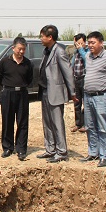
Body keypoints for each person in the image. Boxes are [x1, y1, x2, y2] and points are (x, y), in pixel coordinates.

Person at [36, 25, 77, 163]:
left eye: (42, 36)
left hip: (55, 93)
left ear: (50, 37)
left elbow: (68, 73)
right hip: (45, 91)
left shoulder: (59, 51)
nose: (41, 39)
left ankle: (61, 151)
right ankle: (50, 149)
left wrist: (72, 92)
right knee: (47, 122)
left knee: (57, 123)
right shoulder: (46, 51)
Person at [79, 31, 106, 167]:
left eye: (93, 42)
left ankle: (104, 155)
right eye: (89, 43)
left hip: (102, 97)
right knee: (90, 126)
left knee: (103, 127)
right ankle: (93, 153)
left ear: (101, 43)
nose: (90, 45)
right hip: (88, 96)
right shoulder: (88, 56)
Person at [0, 36, 33, 161]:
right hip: (8, 93)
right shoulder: (5, 62)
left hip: (22, 94)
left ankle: (21, 149)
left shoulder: (27, 63)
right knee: (7, 120)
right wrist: (7, 87)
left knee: (22, 122)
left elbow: (29, 79)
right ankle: (7, 147)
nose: (21, 52)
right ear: (13, 48)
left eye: (23, 49)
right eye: (19, 49)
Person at [70, 33, 88, 133]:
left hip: (84, 79)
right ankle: (78, 123)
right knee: (77, 102)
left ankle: (85, 124)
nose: (79, 45)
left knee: (86, 103)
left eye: (81, 43)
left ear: (85, 42)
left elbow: (86, 60)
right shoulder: (75, 52)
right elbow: (71, 65)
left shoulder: (87, 52)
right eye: (78, 43)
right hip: (76, 80)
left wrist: (81, 50)